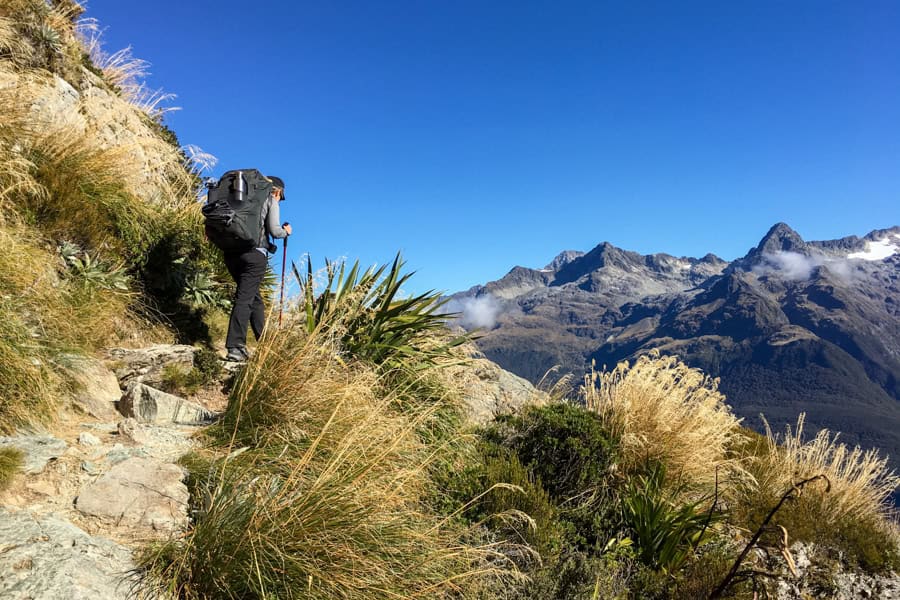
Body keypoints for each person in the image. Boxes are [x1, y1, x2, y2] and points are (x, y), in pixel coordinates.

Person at [223, 176, 291, 362]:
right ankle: (235, 347)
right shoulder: (270, 199)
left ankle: (265, 343)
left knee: (255, 299)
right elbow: (275, 231)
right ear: (277, 191)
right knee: (245, 298)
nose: (279, 198)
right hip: (254, 255)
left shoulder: (239, 199)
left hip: (231, 253)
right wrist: (287, 232)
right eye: (280, 195)